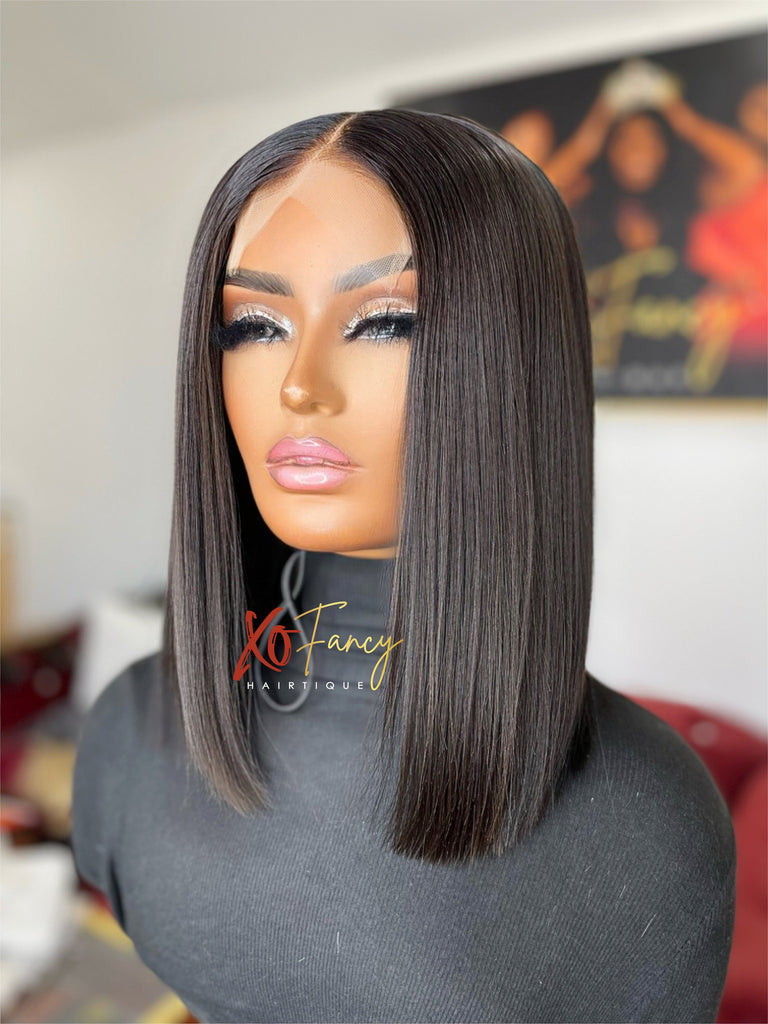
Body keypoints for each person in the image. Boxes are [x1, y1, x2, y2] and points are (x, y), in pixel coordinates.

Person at [70, 109, 736, 1024]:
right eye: (255, 325)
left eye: (384, 323)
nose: (300, 384)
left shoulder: (645, 825)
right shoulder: (129, 733)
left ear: (514, 359)